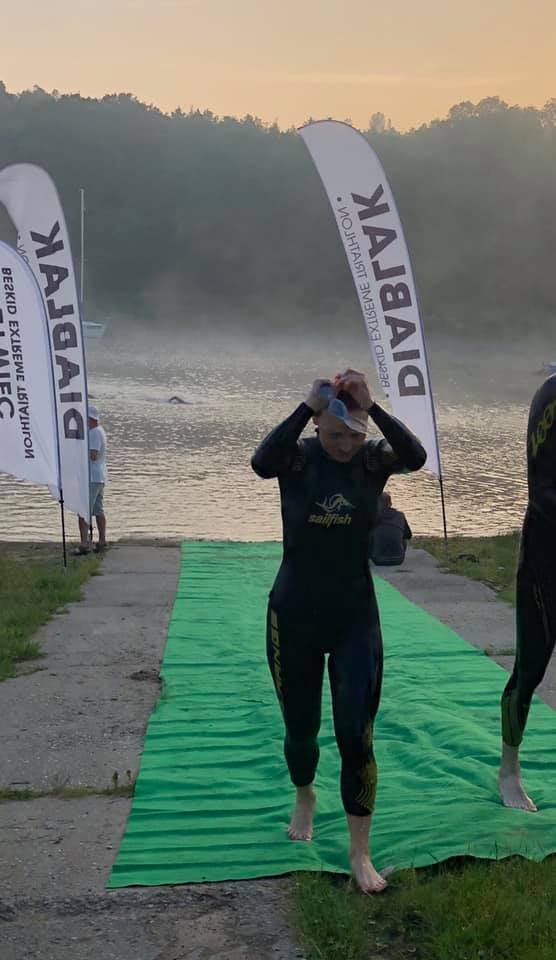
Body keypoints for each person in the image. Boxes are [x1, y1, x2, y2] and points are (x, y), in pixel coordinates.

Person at [251, 368, 426, 893]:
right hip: (293, 614)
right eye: (334, 435)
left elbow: (416, 457)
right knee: (301, 732)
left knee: (356, 736)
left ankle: (359, 852)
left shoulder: (374, 461)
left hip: (354, 618)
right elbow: (260, 462)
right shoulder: (297, 458)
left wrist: (374, 409)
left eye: (354, 435)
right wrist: (307, 405)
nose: (345, 446)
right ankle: (305, 794)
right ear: (317, 427)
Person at [499, 374, 556, 812]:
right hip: (546, 555)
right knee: (530, 668)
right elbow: (542, 490)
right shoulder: (551, 394)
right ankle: (509, 769)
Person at [76, 404, 108, 555]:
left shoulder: (94, 433)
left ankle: (84, 543)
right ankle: (101, 541)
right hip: (99, 476)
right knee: (98, 510)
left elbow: (93, 456)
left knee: (83, 511)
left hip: (92, 477)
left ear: (90, 419)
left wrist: (79, 452)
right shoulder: (100, 430)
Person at [369, 492, 412, 566]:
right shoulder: (400, 515)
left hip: (378, 560)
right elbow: (408, 535)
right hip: (398, 559)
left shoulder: (373, 516)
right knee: (402, 539)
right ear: (390, 503)